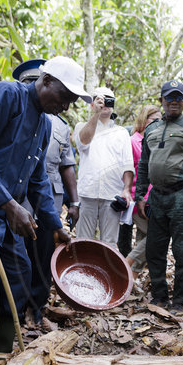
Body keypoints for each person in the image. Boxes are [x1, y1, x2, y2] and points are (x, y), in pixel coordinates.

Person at [0, 55, 92, 365]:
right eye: (64, 96)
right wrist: (10, 205)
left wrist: (54, 224)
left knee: (20, 277)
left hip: (7, 219)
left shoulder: (45, 124)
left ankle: (0, 357)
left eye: (72, 101)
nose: (65, 105)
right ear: (46, 81)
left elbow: (38, 181)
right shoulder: (5, 95)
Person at [12, 58, 84, 324]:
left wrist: (70, 205)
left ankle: (34, 309)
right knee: (13, 263)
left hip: (43, 203)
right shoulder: (7, 103)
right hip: (8, 204)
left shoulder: (55, 125)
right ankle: (13, 315)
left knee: (39, 260)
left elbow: (53, 171)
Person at [135, 80, 183, 312]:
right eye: (169, 98)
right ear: (161, 101)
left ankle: (180, 300)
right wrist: (141, 194)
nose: (173, 102)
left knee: (182, 251)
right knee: (154, 250)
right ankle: (159, 297)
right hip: (157, 198)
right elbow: (143, 165)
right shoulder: (151, 129)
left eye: (178, 98)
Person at [74, 87, 135, 246]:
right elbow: (83, 143)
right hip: (87, 193)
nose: (104, 103)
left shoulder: (121, 132)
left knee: (110, 243)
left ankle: (108, 271)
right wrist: (96, 114)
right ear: (92, 104)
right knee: (83, 240)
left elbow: (128, 164)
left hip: (112, 193)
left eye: (109, 100)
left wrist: (126, 190)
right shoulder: (82, 127)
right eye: (100, 99)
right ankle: (82, 270)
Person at [126, 105, 162, 279]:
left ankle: (129, 279)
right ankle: (126, 264)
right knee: (155, 236)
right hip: (138, 199)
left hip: (155, 199)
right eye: (154, 119)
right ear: (143, 120)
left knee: (143, 238)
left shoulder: (157, 140)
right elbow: (128, 171)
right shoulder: (133, 141)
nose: (158, 123)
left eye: (160, 120)